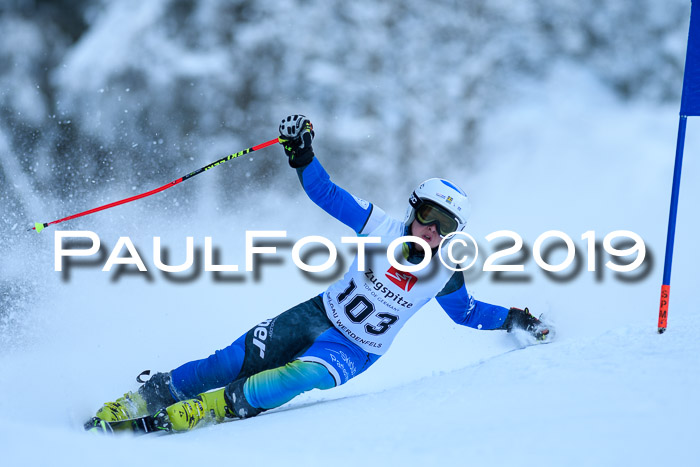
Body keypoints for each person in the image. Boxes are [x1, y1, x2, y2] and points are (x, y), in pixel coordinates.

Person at [86, 115, 550, 433]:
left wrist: (515, 319)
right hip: (315, 314)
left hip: (354, 349)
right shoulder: (381, 228)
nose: (431, 230)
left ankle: (207, 410)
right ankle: (147, 397)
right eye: (428, 215)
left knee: (300, 376)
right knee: (227, 361)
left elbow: (466, 313)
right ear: (415, 208)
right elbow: (327, 194)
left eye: (444, 226)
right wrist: (303, 154)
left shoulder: (445, 271)